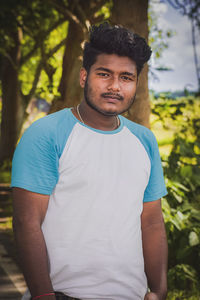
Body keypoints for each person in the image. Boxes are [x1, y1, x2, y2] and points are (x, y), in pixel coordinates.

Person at [11, 22, 168, 300]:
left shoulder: (145, 140)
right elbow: (26, 221)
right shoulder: (46, 133)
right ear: (84, 76)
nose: (114, 87)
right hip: (62, 293)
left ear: (136, 83)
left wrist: (159, 289)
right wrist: (43, 295)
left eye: (126, 78)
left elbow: (152, 222)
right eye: (104, 74)